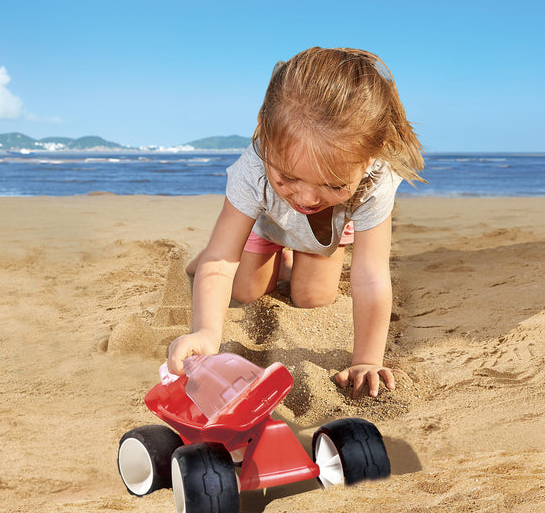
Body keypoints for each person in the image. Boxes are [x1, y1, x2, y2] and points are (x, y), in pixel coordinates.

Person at [167, 47, 424, 398]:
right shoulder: (253, 170)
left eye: (333, 184)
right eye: (287, 177)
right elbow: (221, 263)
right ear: (263, 130)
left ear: (368, 160)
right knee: (245, 290)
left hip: (325, 231)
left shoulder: (376, 180)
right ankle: (255, 252)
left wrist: (367, 359)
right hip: (267, 222)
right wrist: (206, 333)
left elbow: (370, 274)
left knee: (313, 298)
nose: (305, 198)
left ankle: (290, 260)